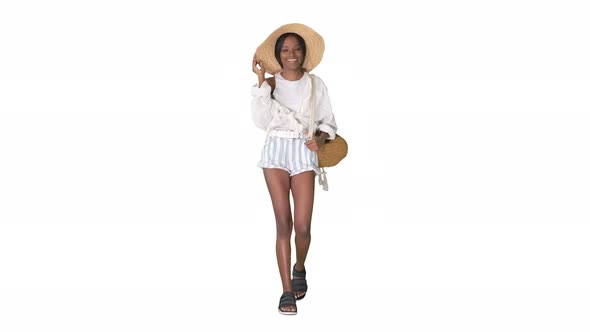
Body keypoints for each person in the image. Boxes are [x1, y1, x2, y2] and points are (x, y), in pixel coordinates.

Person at [251, 23, 338, 315]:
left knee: (302, 227)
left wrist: (319, 138)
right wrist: (262, 79)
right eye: (285, 50)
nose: (291, 54)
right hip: (276, 149)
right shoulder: (271, 84)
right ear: (278, 54)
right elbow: (261, 121)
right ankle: (286, 290)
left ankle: (299, 266)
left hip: (303, 151)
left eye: (296, 49)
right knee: (284, 224)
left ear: (303, 53)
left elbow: (327, 121)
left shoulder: (316, 84)